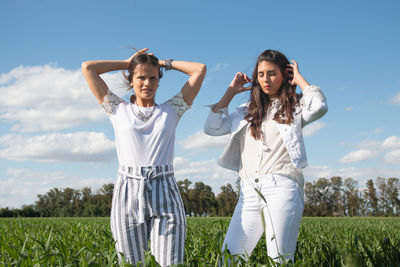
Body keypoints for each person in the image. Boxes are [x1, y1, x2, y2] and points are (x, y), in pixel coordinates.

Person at [81, 48, 206, 266]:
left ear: (159, 81)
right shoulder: (117, 109)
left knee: (171, 263)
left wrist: (164, 63)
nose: (147, 82)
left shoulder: (172, 110)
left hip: (164, 189)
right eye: (141, 77)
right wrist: (126, 63)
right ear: (132, 79)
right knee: (130, 263)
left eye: (153, 77)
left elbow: (199, 70)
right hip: (128, 190)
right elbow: (88, 68)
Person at [204, 50, 327, 264]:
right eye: (261, 74)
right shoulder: (246, 111)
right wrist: (230, 93)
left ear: (284, 75)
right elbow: (212, 128)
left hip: (281, 187)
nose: (265, 79)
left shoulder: (295, 107)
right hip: (248, 191)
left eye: (272, 73)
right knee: (228, 260)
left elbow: (319, 107)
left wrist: (300, 81)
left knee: (278, 260)